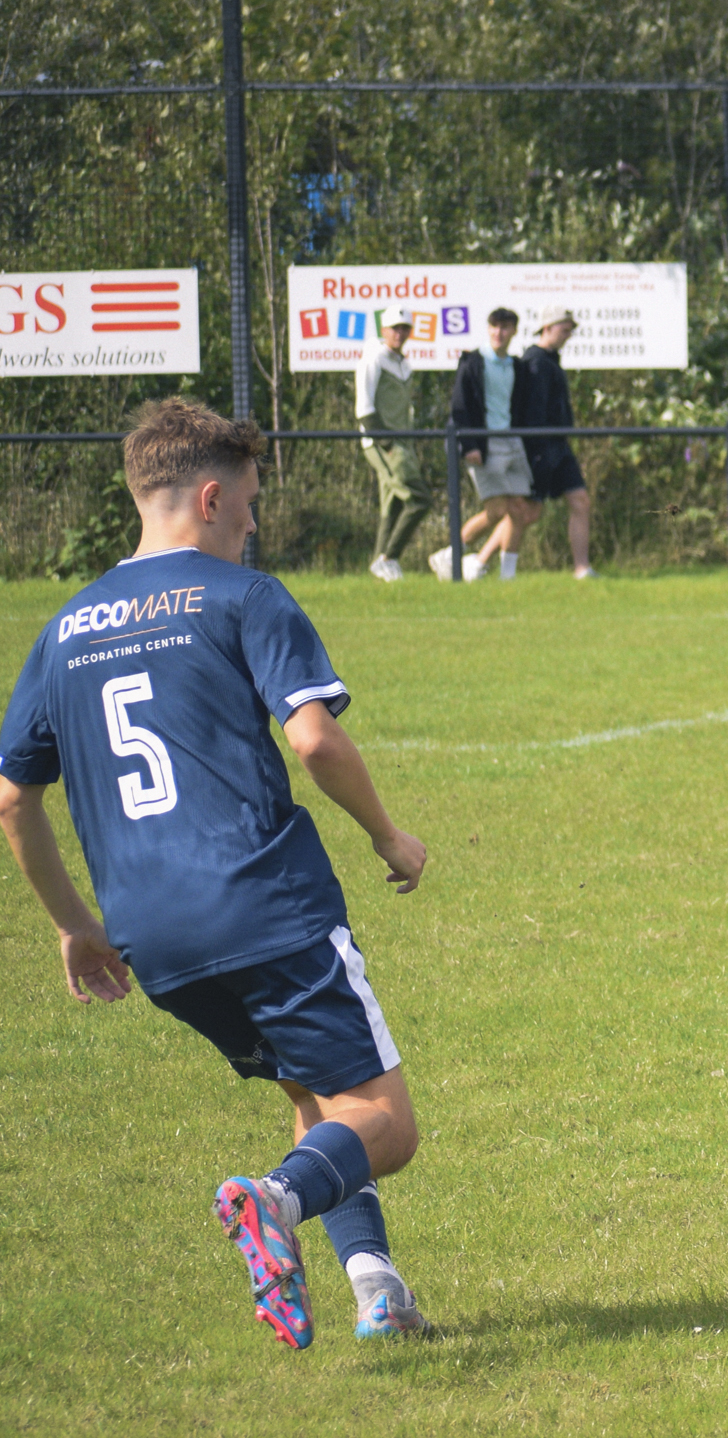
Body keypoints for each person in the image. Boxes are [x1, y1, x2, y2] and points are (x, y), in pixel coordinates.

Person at [0, 397, 436, 1348]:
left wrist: (74, 924)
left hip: (150, 935)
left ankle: (378, 1289)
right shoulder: (244, 596)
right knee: (386, 1122)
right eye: (247, 504)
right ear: (208, 497)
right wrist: (387, 835)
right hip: (263, 902)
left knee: (318, 1097)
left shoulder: (63, 630)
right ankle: (271, 1201)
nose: (251, 523)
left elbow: (11, 798)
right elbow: (314, 739)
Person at [436, 305, 541, 581]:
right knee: (496, 511)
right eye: (494, 327)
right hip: (484, 445)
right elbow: (460, 408)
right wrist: (470, 444)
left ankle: (508, 576)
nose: (499, 333)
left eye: (505, 327)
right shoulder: (472, 362)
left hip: (512, 442)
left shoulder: (517, 366)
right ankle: (450, 554)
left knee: (519, 510)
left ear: (514, 331)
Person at [514, 305, 597, 579]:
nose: (568, 335)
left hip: (559, 445)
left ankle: (582, 569)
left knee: (580, 501)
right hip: (540, 447)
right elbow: (533, 412)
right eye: (564, 329)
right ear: (547, 328)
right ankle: (475, 560)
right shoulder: (535, 361)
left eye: (570, 330)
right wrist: (537, 450)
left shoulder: (551, 360)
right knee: (528, 513)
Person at [357, 305, 433, 582]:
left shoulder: (404, 364)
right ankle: (389, 558)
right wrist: (386, 443)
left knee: (394, 505)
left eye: (404, 328)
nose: (399, 333)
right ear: (384, 330)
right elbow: (364, 407)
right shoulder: (373, 358)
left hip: (403, 443)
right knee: (419, 499)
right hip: (383, 443)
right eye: (394, 328)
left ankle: (381, 564)